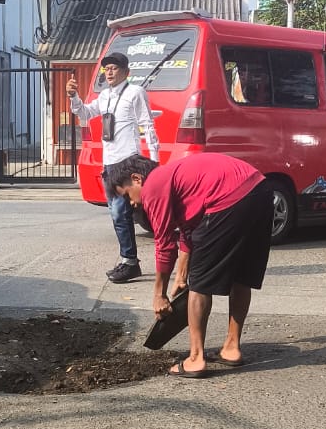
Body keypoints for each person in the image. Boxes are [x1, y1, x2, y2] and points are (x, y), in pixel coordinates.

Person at [110, 152, 274, 379]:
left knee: (200, 286)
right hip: (261, 191)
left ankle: (196, 359)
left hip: (227, 198)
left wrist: (160, 294)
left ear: (137, 179)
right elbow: (189, 232)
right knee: (240, 276)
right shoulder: (179, 178)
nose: (131, 202)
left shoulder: (154, 185)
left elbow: (165, 244)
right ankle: (231, 348)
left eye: (126, 194)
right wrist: (180, 277)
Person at [66, 51, 160, 284]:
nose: (108, 71)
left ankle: (140, 260)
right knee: (119, 214)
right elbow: (85, 113)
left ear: (126, 72)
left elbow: (147, 125)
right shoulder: (104, 95)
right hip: (110, 163)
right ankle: (129, 261)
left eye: (114, 68)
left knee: (136, 212)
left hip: (129, 161)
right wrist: (74, 97)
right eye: (106, 68)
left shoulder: (135, 93)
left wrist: (155, 161)